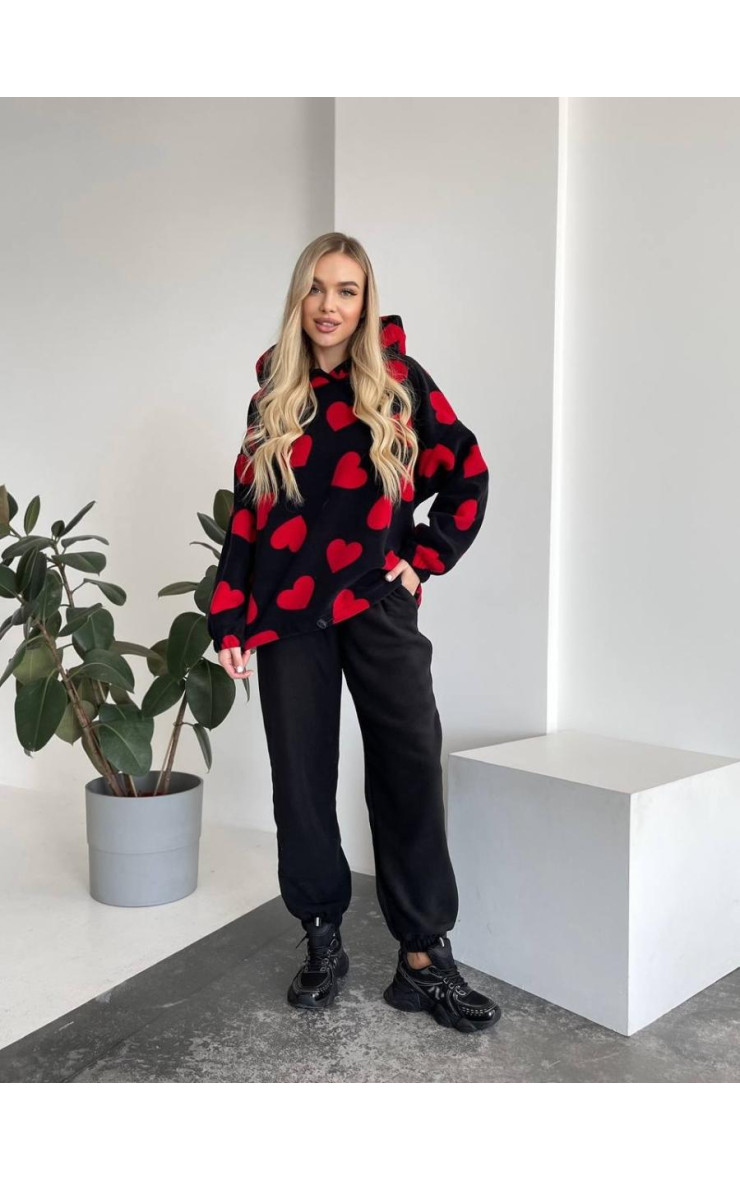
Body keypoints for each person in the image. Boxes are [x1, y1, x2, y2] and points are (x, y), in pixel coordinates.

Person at [206, 231, 502, 1034]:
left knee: (408, 766)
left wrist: (422, 558)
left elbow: (467, 470)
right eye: (316, 288)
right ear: (297, 297)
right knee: (300, 781)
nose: (329, 306)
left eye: (346, 290)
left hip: (376, 604)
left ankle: (423, 958)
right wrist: (229, 616)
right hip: (287, 615)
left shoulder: (398, 383)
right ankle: (321, 936)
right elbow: (248, 518)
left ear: (366, 301)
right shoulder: (274, 394)